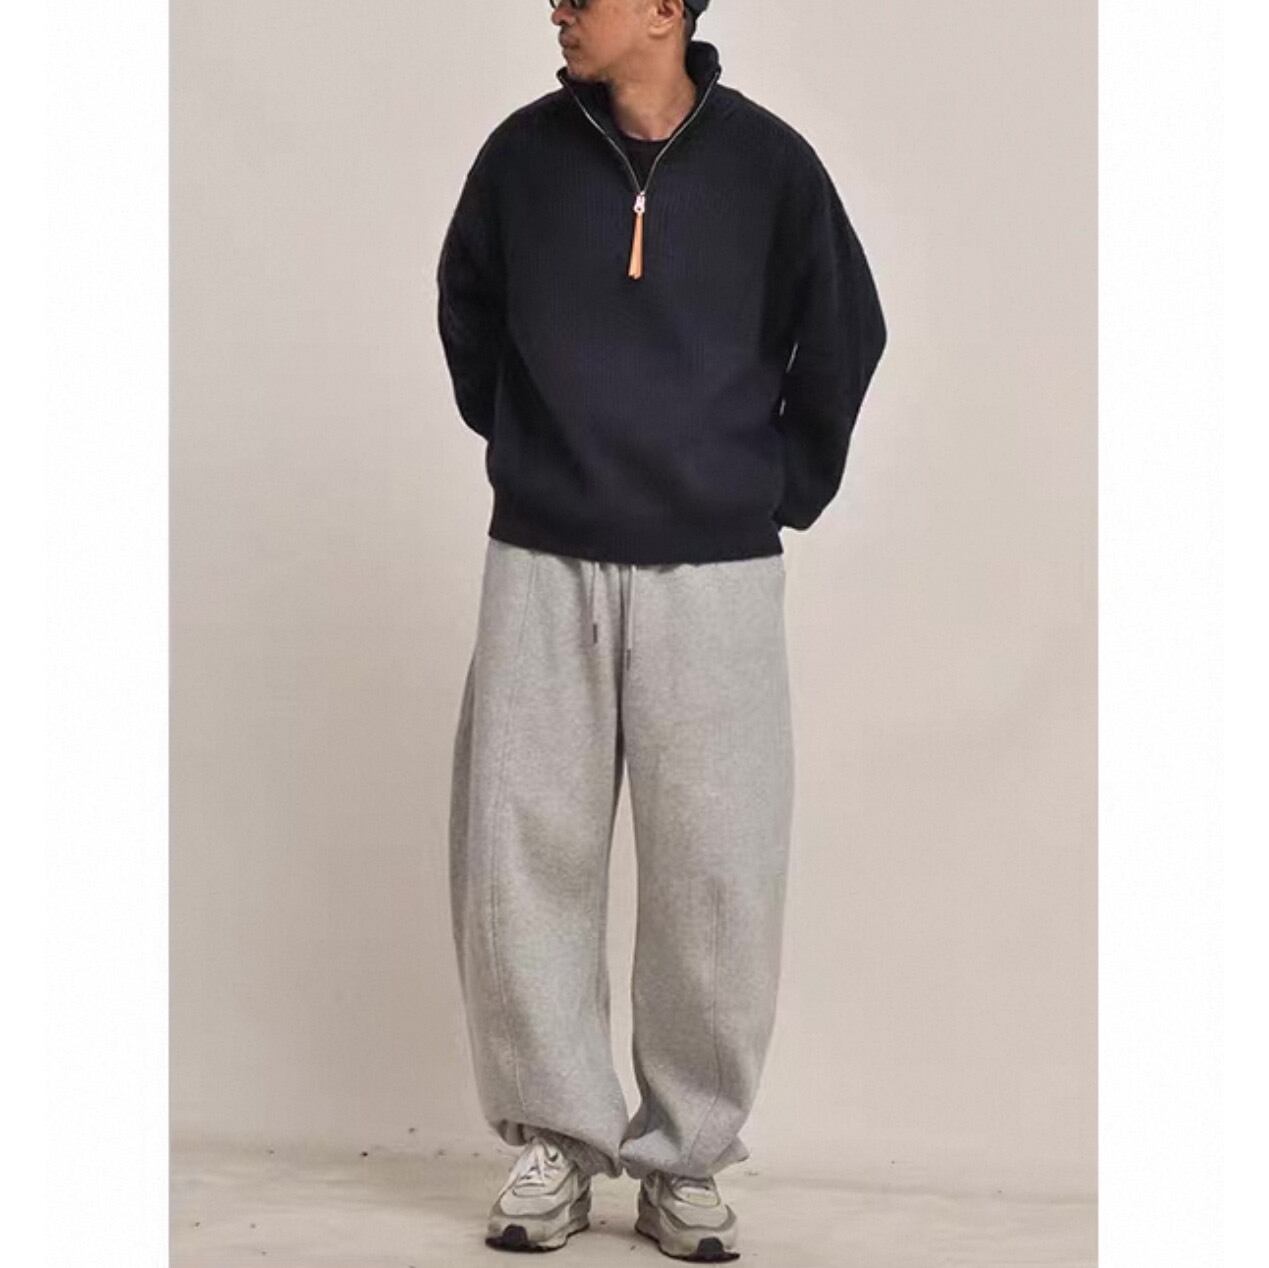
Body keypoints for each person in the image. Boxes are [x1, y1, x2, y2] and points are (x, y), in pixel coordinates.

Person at [436, 0, 886, 1257]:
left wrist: (772, 487)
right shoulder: (520, 159)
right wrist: (539, 452)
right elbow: (467, 313)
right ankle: (555, 1137)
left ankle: (685, 1156)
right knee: (521, 850)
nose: (559, 7)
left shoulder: (772, 167)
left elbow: (845, 331)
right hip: (543, 554)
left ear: (663, 10)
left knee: (718, 867)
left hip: (716, 569)